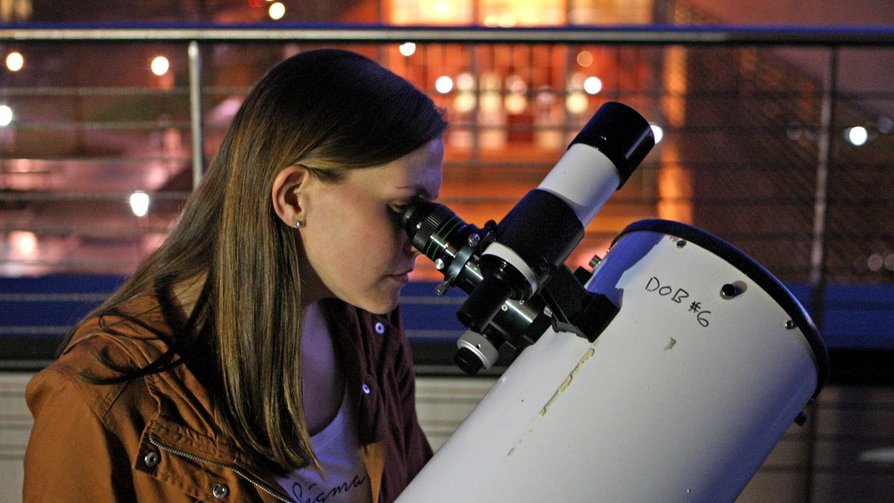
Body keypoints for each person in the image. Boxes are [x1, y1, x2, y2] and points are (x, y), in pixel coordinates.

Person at [23, 48, 448, 503]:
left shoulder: (370, 330)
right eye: (403, 209)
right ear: (293, 198)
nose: (419, 241)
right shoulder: (100, 404)